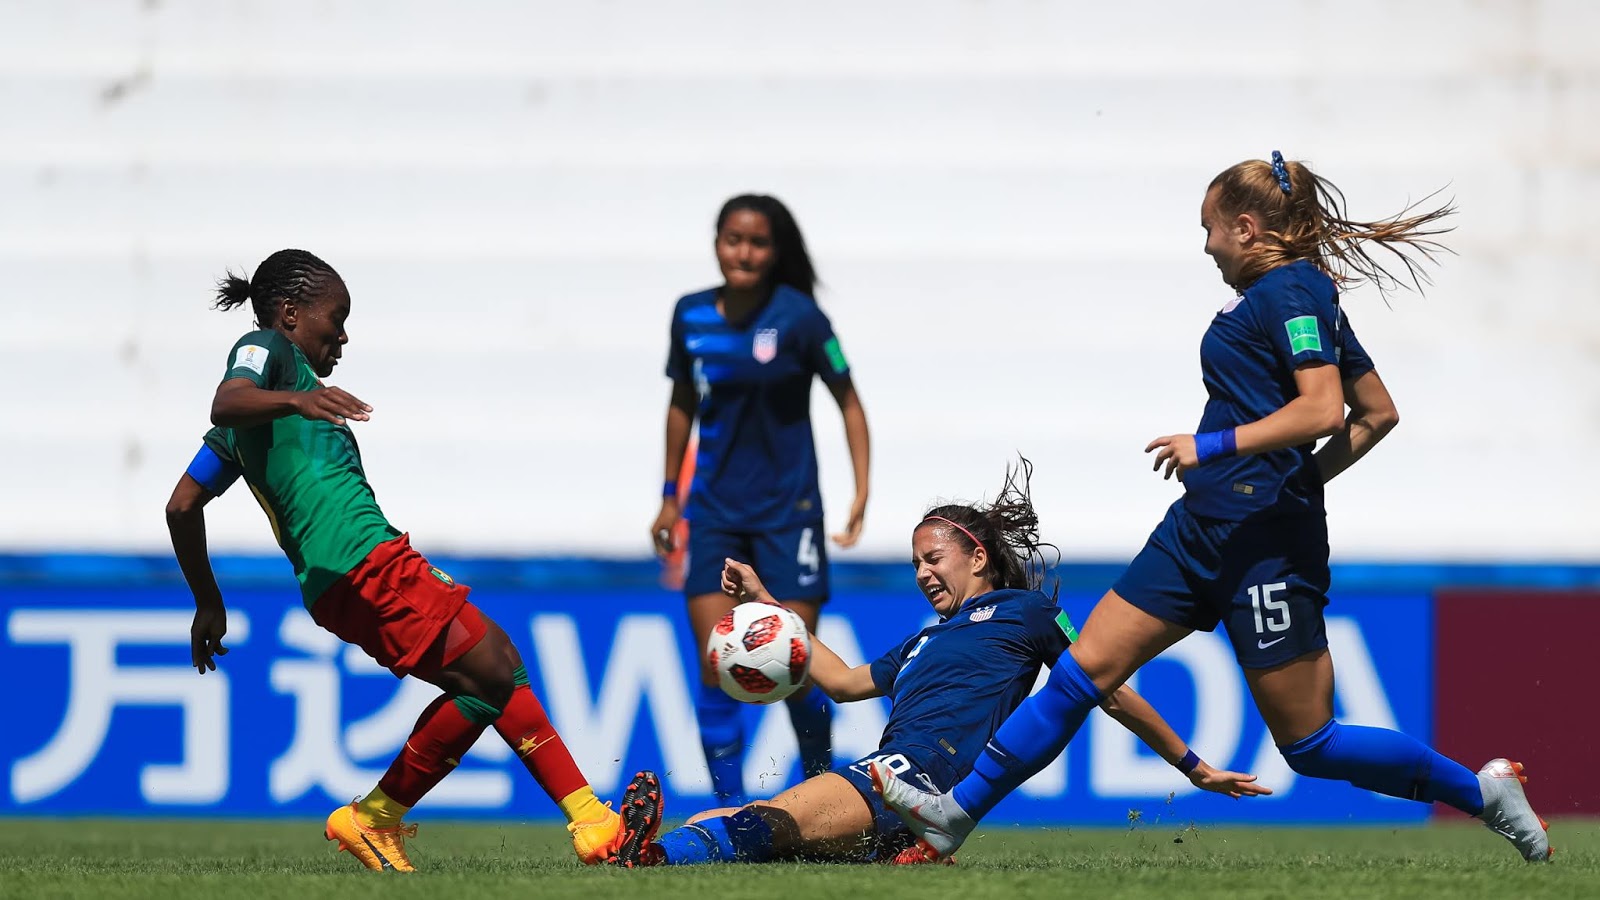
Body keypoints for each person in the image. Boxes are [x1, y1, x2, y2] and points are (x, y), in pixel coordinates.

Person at [873, 152, 1553, 863]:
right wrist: (1297, 478)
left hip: (1263, 546)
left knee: (1311, 744)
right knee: (1081, 674)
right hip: (1197, 531)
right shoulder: (1278, 296)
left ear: (1247, 228)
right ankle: (955, 814)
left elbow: (1329, 409)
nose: (1206, 246)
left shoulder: (1293, 291)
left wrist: (1216, 447)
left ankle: (1485, 794)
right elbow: (1377, 412)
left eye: (1210, 229)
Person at [163, 249, 663, 871]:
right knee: (493, 667)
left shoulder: (239, 437)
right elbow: (228, 397)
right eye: (336, 319)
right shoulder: (269, 350)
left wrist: (208, 602)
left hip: (347, 574)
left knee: (491, 674)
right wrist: (297, 401)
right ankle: (384, 818)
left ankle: (587, 822)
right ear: (290, 313)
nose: (343, 336)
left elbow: (182, 505)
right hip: (362, 563)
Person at [617, 460, 1267, 867]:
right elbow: (842, 682)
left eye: (934, 559)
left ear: (978, 557)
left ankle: (648, 859)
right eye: (916, 564)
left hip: (916, 778)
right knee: (724, 824)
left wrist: (1192, 765)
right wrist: (767, 603)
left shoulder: (1027, 612)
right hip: (889, 787)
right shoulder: (922, 642)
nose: (924, 573)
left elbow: (1109, 689)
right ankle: (638, 849)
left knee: (765, 824)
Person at [649, 194, 872, 805]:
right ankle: (730, 813)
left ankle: (825, 800)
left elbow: (849, 400)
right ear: (716, 243)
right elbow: (681, 404)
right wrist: (668, 497)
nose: (743, 253)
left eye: (757, 242)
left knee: (793, 664)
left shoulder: (802, 319)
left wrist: (861, 490)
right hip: (714, 515)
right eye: (733, 239)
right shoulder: (691, 314)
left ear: (775, 251)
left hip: (788, 516)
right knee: (715, 665)